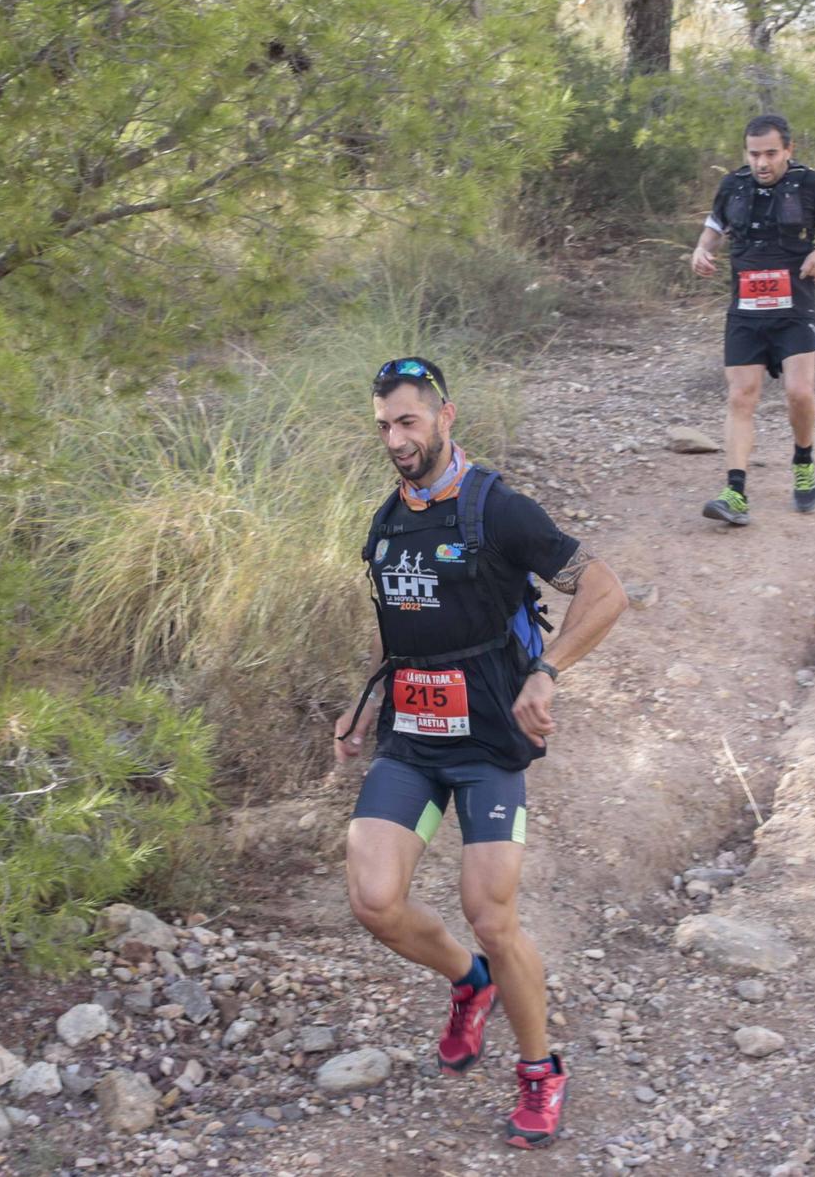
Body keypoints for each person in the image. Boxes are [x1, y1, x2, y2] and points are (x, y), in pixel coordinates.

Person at [334, 357, 628, 1150]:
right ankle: (470, 984)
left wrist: (548, 672)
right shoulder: (388, 518)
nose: (397, 439)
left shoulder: (498, 509)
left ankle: (542, 1070)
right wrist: (362, 705)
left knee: (492, 913)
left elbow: (605, 590)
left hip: (488, 743)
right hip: (412, 741)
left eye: (409, 421)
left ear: (445, 416)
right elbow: (394, 621)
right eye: (385, 425)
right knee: (374, 899)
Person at [689, 114, 815, 525]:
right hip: (746, 310)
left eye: (771, 154)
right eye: (754, 153)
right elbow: (713, 230)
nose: (762, 162)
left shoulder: (810, 184)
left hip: (794, 306)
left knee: (799, 392)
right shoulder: (732, 186)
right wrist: (701, 251)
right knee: (741, 396)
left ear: (788, 150)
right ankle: (735, 491)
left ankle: (803, 461)